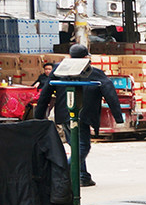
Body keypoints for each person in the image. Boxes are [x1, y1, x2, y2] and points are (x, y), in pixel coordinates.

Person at [33, 44, 122, 187]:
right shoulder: (93, 72)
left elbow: (45, 94)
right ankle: (60, 174)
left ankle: (82, 176)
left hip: (64, 114)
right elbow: (110, 92)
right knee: (82, 147)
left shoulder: (59, 69)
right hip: (81, 115)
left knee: (75, 145)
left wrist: (38, 115)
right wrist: (118, 116)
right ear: (86, 58)